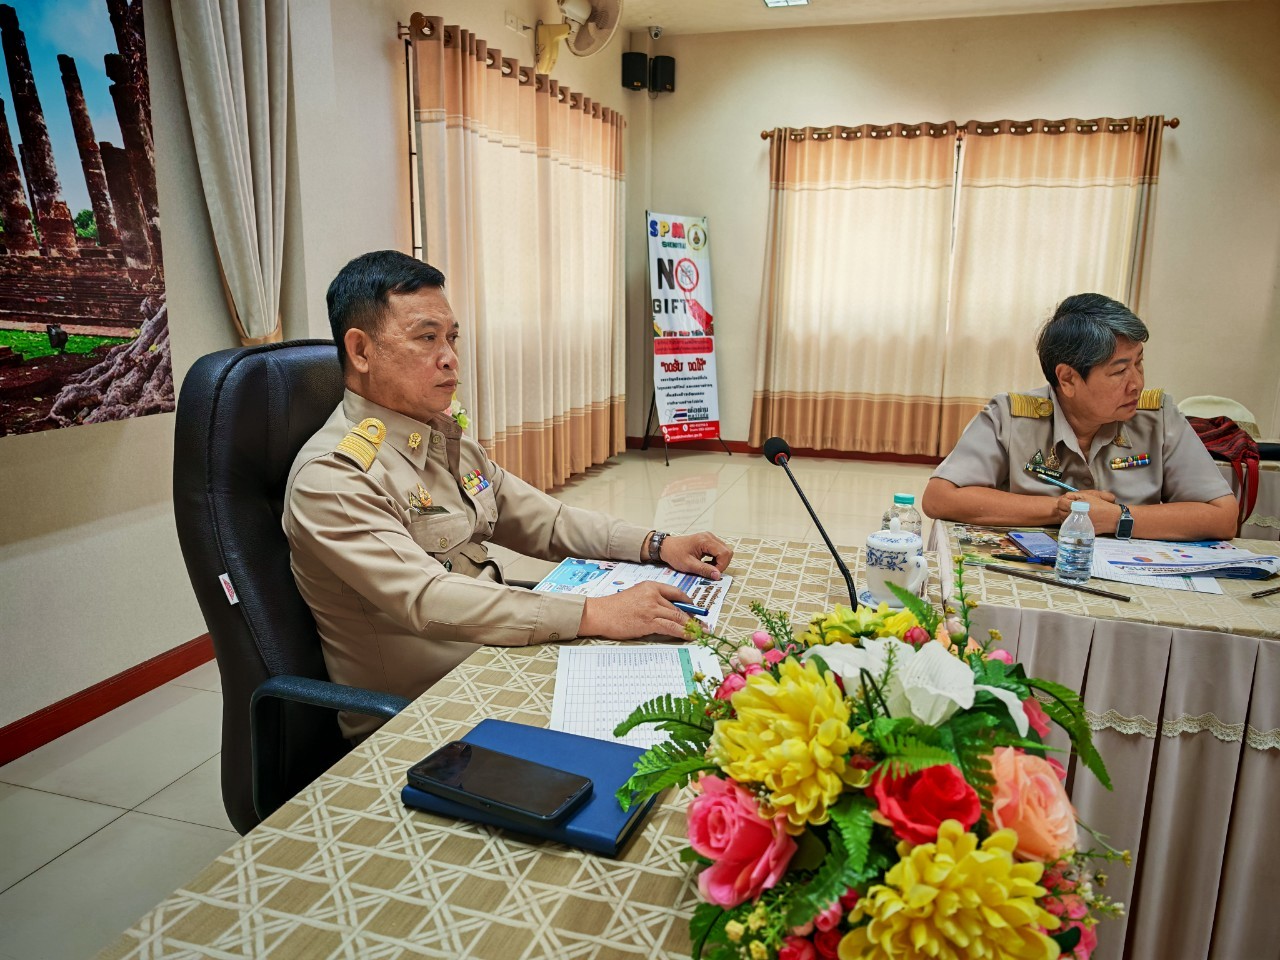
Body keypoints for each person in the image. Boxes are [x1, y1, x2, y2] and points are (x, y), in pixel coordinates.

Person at [284, 251, 733, 738]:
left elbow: (548, 521)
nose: (449, 357)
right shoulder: (335, 477)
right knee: (665, 733)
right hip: (427, 714)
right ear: (361, 351)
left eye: (452, 337)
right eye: (427, 337)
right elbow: (428, 597)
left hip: (497, 659)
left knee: (700, 692)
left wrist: (656, 544)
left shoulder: (440, 438)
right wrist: (596, 612)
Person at [922, 293, 1237, 542]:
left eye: (1139, 363)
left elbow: (1223, 516)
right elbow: (940, 498)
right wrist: (1064, 509)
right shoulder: (1011, 417)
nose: (1137, 383)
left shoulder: (1158, 417)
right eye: (1119, 371)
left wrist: (1119, 518)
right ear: (1068, 379)